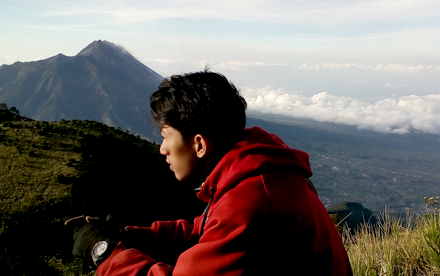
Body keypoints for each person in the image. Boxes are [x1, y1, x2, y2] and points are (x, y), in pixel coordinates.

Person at [66, 70, 352, 275]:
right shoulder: (256, 173)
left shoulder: (251, 202)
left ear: (199, 144)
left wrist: (103, 252)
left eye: (165, 136)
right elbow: (203, 231)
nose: (161, 149)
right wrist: (126, 236)